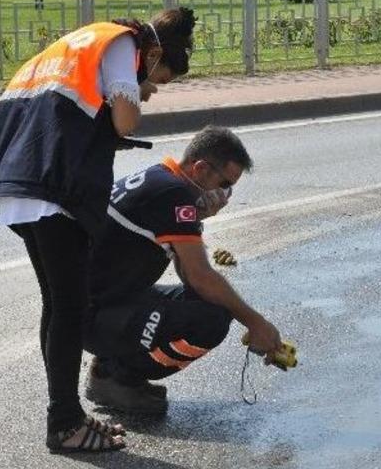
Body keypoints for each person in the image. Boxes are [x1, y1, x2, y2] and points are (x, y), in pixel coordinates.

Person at [0, 8, 196, 453]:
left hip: (23, 183)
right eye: (158, 80)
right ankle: (65, 425)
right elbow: (125, 120)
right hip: (54, 189)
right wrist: (132, 89)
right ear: (152, 53)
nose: (151, 92)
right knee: (69, 308)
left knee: (59, 306)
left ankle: (67, 415)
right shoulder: (119, 45)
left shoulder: (78, 43)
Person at [81, 126, 283, 414]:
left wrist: (197, 218)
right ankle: (119, 376)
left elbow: (189, 276)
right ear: (200, 169)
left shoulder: (162, 179)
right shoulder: (173, 194)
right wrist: (255, 322)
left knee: (210, 304)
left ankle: (113, 364)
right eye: (224, 183)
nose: (225, 194)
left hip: (108, 301)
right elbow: (201, 278)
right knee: (210, 321)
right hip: (93, 315)